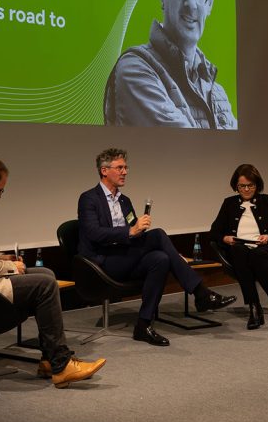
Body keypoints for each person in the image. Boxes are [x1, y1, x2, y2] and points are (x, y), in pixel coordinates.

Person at [0, 156, 105, 388]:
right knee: (44, 285)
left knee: (46, 274)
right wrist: (12, 267)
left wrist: (2, 259)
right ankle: (61, 364)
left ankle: (49, 360)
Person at [77, 148, 237, 346]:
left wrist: (139, 230)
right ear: (104, 170)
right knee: (159, 234)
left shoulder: (124, 201)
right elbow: (93, 233)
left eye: (126, 167)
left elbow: (135, 233)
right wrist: (131, 231)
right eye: (119, 168)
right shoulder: (89, 198)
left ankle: (143, 325)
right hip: (102, 263)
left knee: (161, 259)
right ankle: (201, 293)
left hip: (125, 256)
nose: (125, 172)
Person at [103, 0, 236, 129]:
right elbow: (186, 146)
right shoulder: (134, 70)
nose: (191, 4)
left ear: (209, 3)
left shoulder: (218, 94)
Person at [209, 164, 268, 332]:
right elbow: (214, 232)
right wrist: (225, 238)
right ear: (236, 186)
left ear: (257, 185)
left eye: (250, 185)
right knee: (238, 251)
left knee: (257, 256)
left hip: (267, 248)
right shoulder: (229, 204)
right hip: (240, 248)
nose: (246, 189)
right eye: (242, 186)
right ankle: (254, 306)